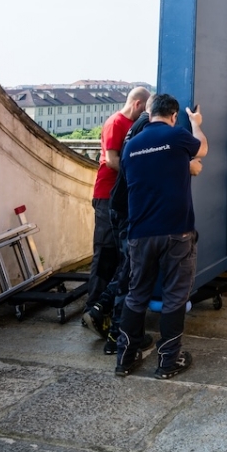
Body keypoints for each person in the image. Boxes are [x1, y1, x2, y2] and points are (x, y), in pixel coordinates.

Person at [115, 93, 207, 379]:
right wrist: (196, 123)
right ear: (173, 115)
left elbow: (140, 178)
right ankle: (168, 361)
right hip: (176, 232)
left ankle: (125, 359)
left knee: (136, 295)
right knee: (175, 297)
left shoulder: (130, 147)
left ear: (150, 112)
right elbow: (202, 149)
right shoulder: (178, 136)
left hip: (140, 234)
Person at [82, 86, 150, 324]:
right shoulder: (116, 123)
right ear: (138, 104)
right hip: (106, 194)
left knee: (120, 254)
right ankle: (93, 307)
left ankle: (106, 306)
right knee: (105, 251)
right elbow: (111, 161)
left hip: (119, 195)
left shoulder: (131, 126)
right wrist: (138, 174)